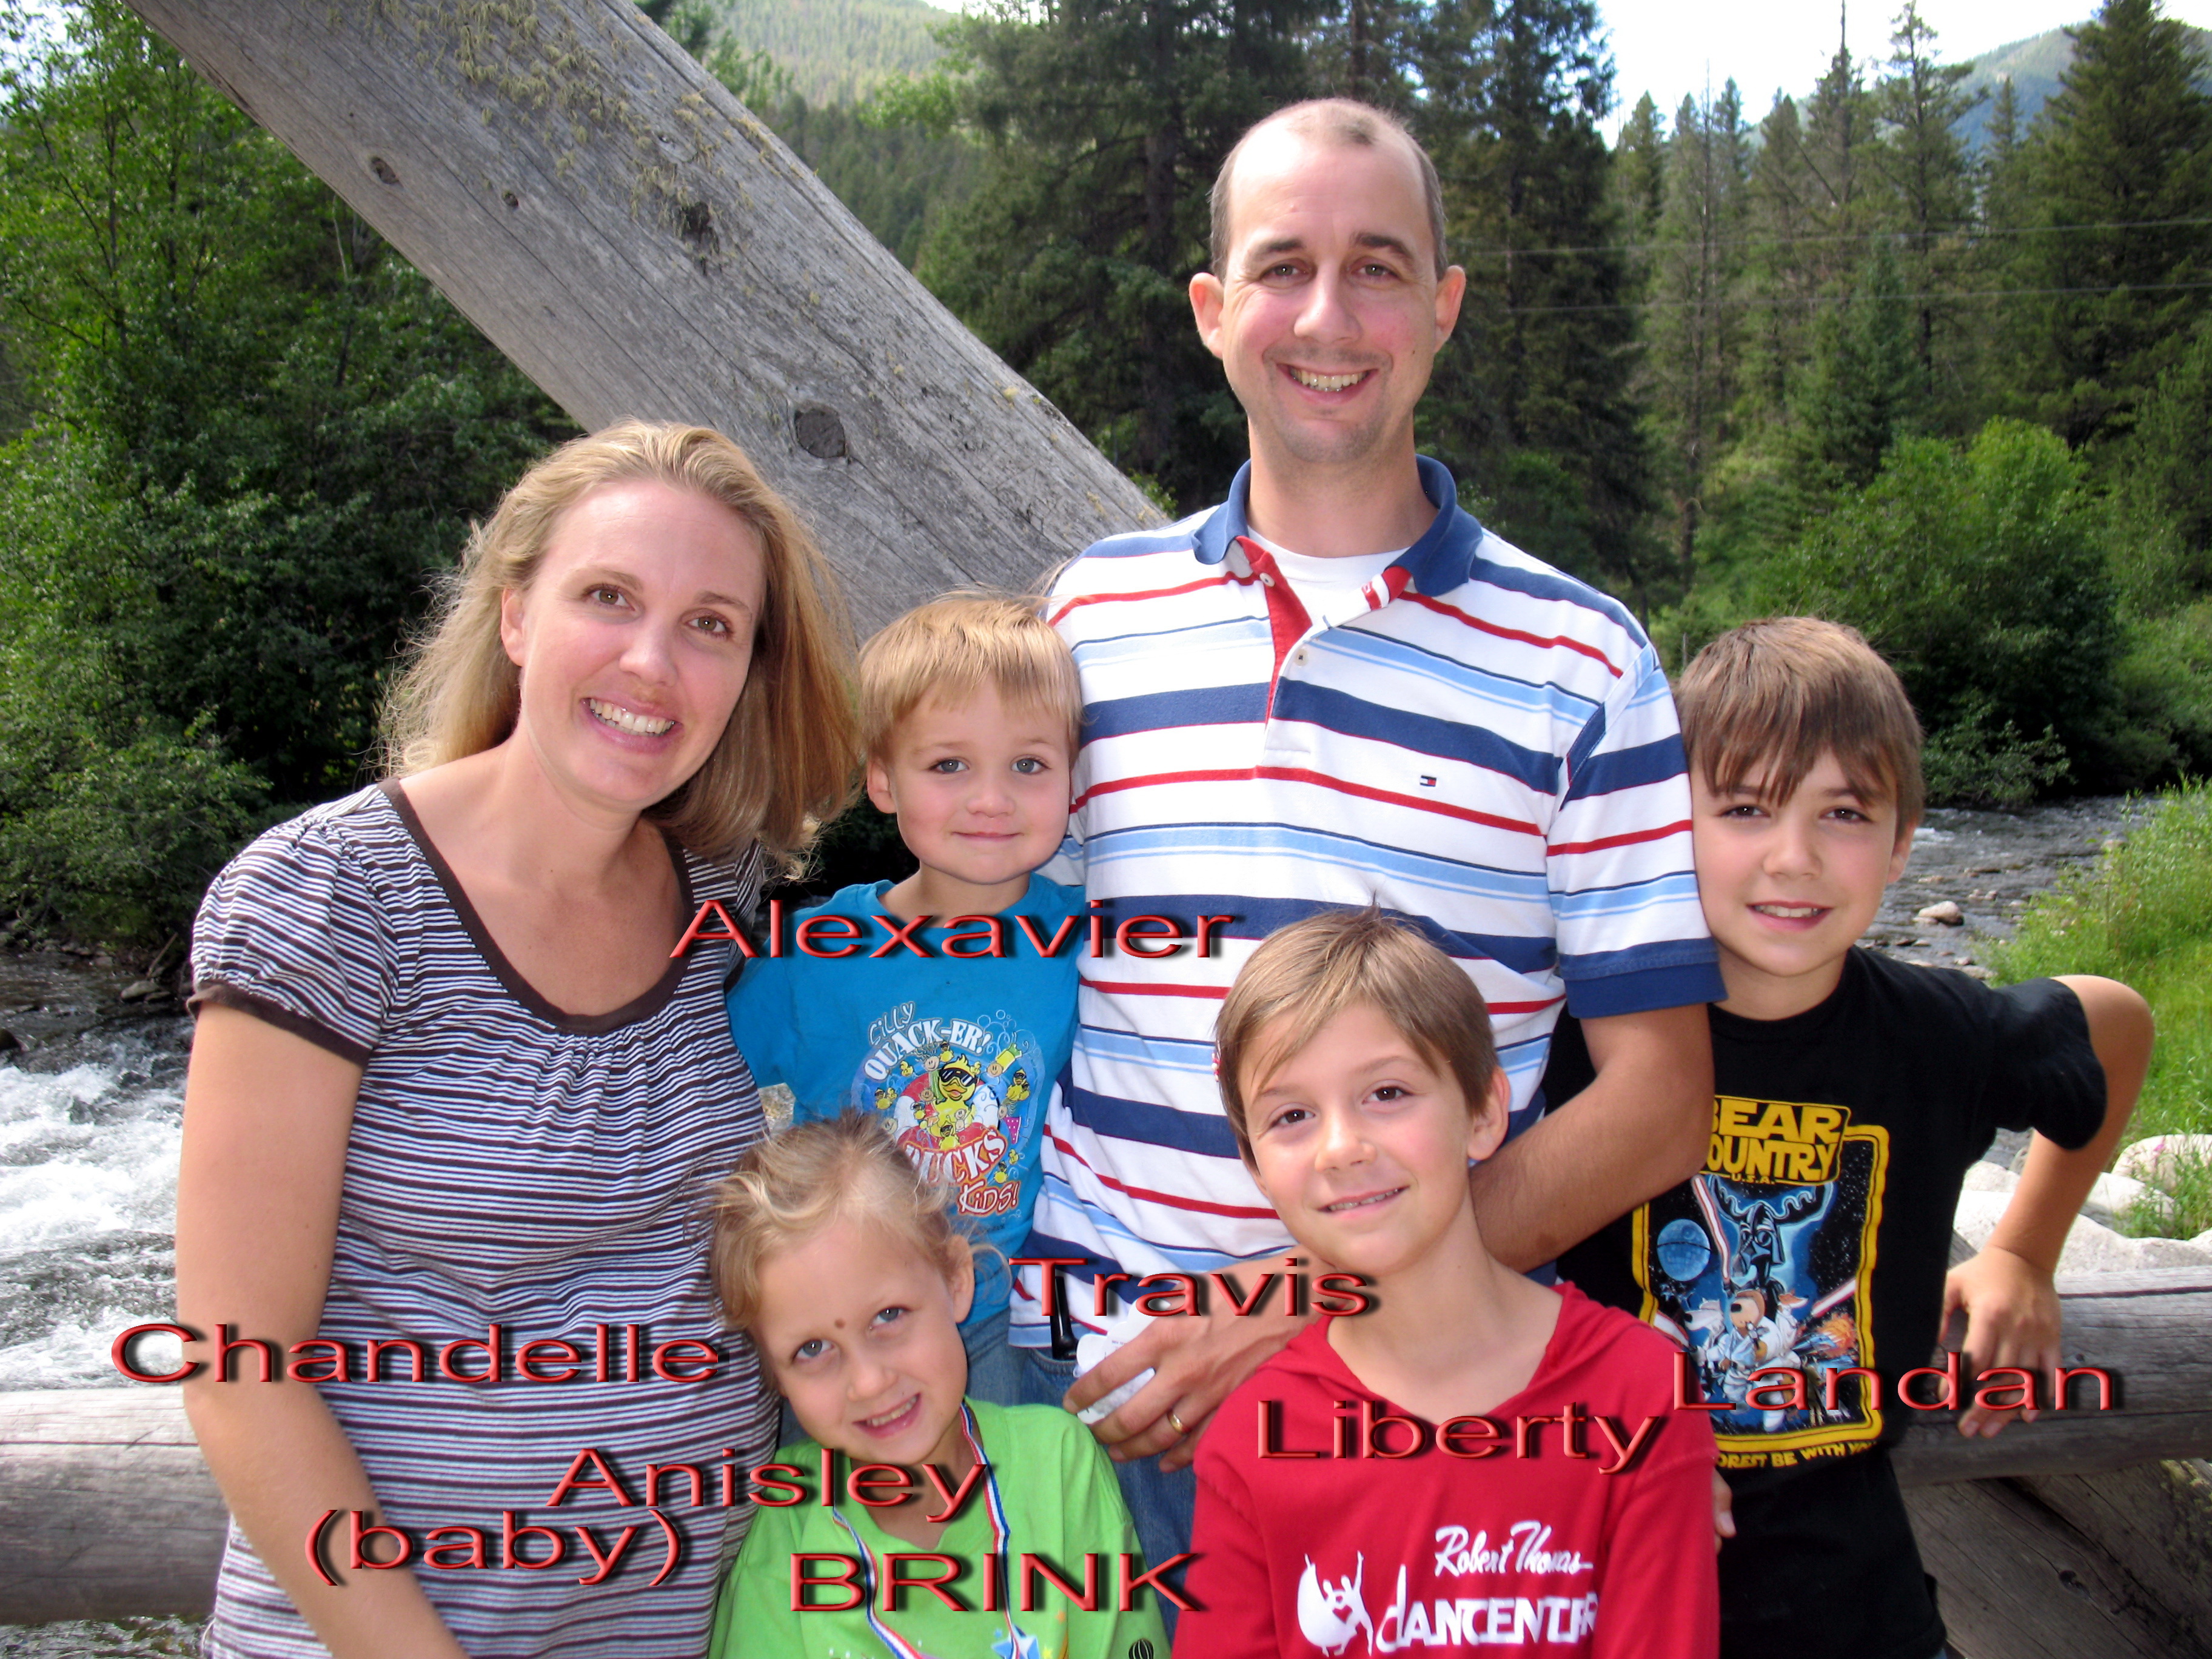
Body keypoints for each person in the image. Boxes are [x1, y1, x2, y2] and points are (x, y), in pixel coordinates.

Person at [1016, 96, 1723, 1562]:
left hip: (1401, 1411)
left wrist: (1307, 1295)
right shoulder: (1089, 616)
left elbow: (1660, 1100)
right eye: (1282, 267)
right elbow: (1009, 957)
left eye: (1378, 268)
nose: (1327, 316)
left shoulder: (1582, 662)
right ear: (1213, 312)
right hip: (1080, 1405)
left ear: (1443, 306)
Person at [176, 422, 858, 1658]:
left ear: (747, 673)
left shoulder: (719, 894)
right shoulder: (327, 900)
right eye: (608, 597)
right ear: (514, 616)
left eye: (710, 624)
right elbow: (239, 1367)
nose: (651, 661)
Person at [1544, 617, 2153, 1659]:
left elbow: (2115, 1023)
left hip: (1856, 1608)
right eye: (1745, 809)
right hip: (1603, 1596)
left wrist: (2022, 1252)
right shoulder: (1581, 1035)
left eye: (1843, 813)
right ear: (1668, 826)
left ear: (1902, 841)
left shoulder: (1937, 1035)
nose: (1794, 859)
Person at [1176, 909, 1720, 1658]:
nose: (1341, 1148)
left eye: (1387, 1093)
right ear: (1255, 1165)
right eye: (1292, 1115)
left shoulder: (1642, 1394)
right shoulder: (1252, 1440)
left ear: (1484, 1112)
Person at [726, 594, 1084, 1406]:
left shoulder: (1088, 945)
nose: (990, 799)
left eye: (1028, 765)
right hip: (843, 1326)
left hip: (999, 1325)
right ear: (883, 779)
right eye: (949, 765)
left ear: (1074, 780)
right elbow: (695, 1085)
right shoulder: (815, 953)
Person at [707, 1114, 1171, 1659]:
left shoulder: (1057, 1463)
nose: (869, 1382)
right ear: (773, 1373)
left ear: (955, 1278)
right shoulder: (783, 1527)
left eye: (888, 1316)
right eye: (812, 1350)